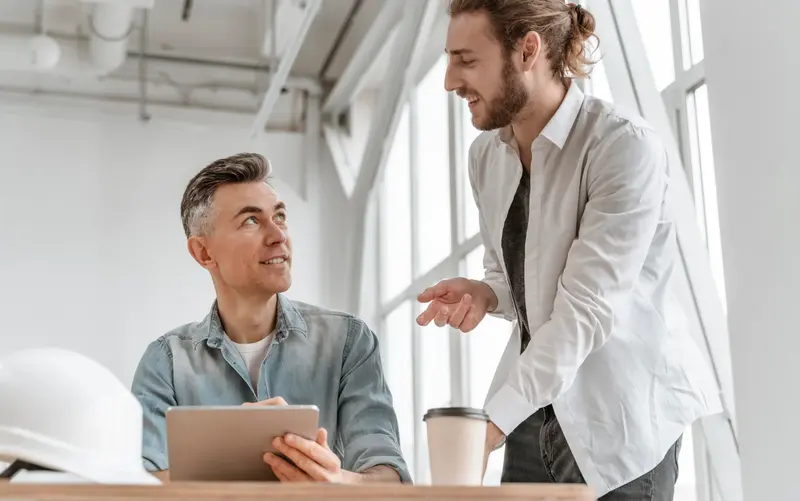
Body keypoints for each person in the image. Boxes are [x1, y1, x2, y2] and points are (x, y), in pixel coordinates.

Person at [417, 1, 722, 499]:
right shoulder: (485, 157)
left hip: (620, 421)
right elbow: (511, 272)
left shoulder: (622, 147)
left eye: (466, 60)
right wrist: (486, 293)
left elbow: (583, 313)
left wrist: (488, 426)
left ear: (527, 50)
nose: (450, 81)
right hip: (533, 411)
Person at [131, 153, 410, 484]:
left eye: (280, 216)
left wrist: (340, 482)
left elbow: (390, 476)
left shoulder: (349, 342)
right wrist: (229, 450)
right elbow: (139, 483)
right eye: (251, 220)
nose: (278, 235)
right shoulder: (166, 363)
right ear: (204, 253)